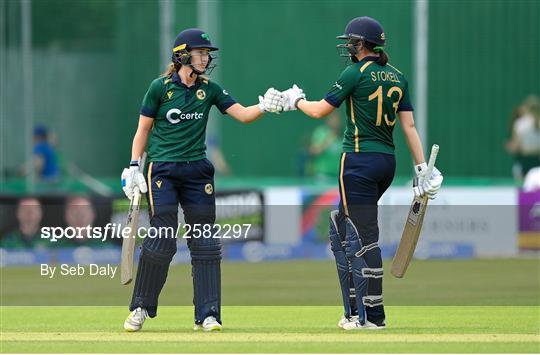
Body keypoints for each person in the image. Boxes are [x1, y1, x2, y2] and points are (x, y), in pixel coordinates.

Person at [278, 17, 443, 329]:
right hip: (386, 163)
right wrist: (422, 169)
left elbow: (318, 111)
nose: (348, 47)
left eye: (350, 42)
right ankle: (354, 311)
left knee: (362, 238)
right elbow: (408, 126)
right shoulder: (397, 76)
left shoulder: (355, 72)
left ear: (360, 44)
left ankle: (372, 317)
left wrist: (295, 100)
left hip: (357, 162)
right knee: (341, 228)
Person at [120, 28, 282, 332]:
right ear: (183, 55)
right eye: (201, 53)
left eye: (207, 54)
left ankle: (208, 314)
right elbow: (143, 130)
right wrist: (133, 166)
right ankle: (141, 306)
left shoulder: (210, 89)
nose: (206, 59)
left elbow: (244, 115)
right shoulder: (159, 88)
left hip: (197, 172)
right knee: (162, 239)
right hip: (163, 171)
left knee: (205, 242)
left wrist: (267, 106)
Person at [505, 95, 540, 181]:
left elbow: (516, 146)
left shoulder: (520, 124)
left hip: (525, 160)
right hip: (537, 159)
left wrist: (510, 146)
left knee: (524, 187)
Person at [308, 111, 342, 179]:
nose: (335, 121)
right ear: (328, 120)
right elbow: (313, 151)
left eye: (337, 119)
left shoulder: (344, 134)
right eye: (333, 118)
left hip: (338, 175)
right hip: (323, 175)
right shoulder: (320, 132)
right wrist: (327, 141)